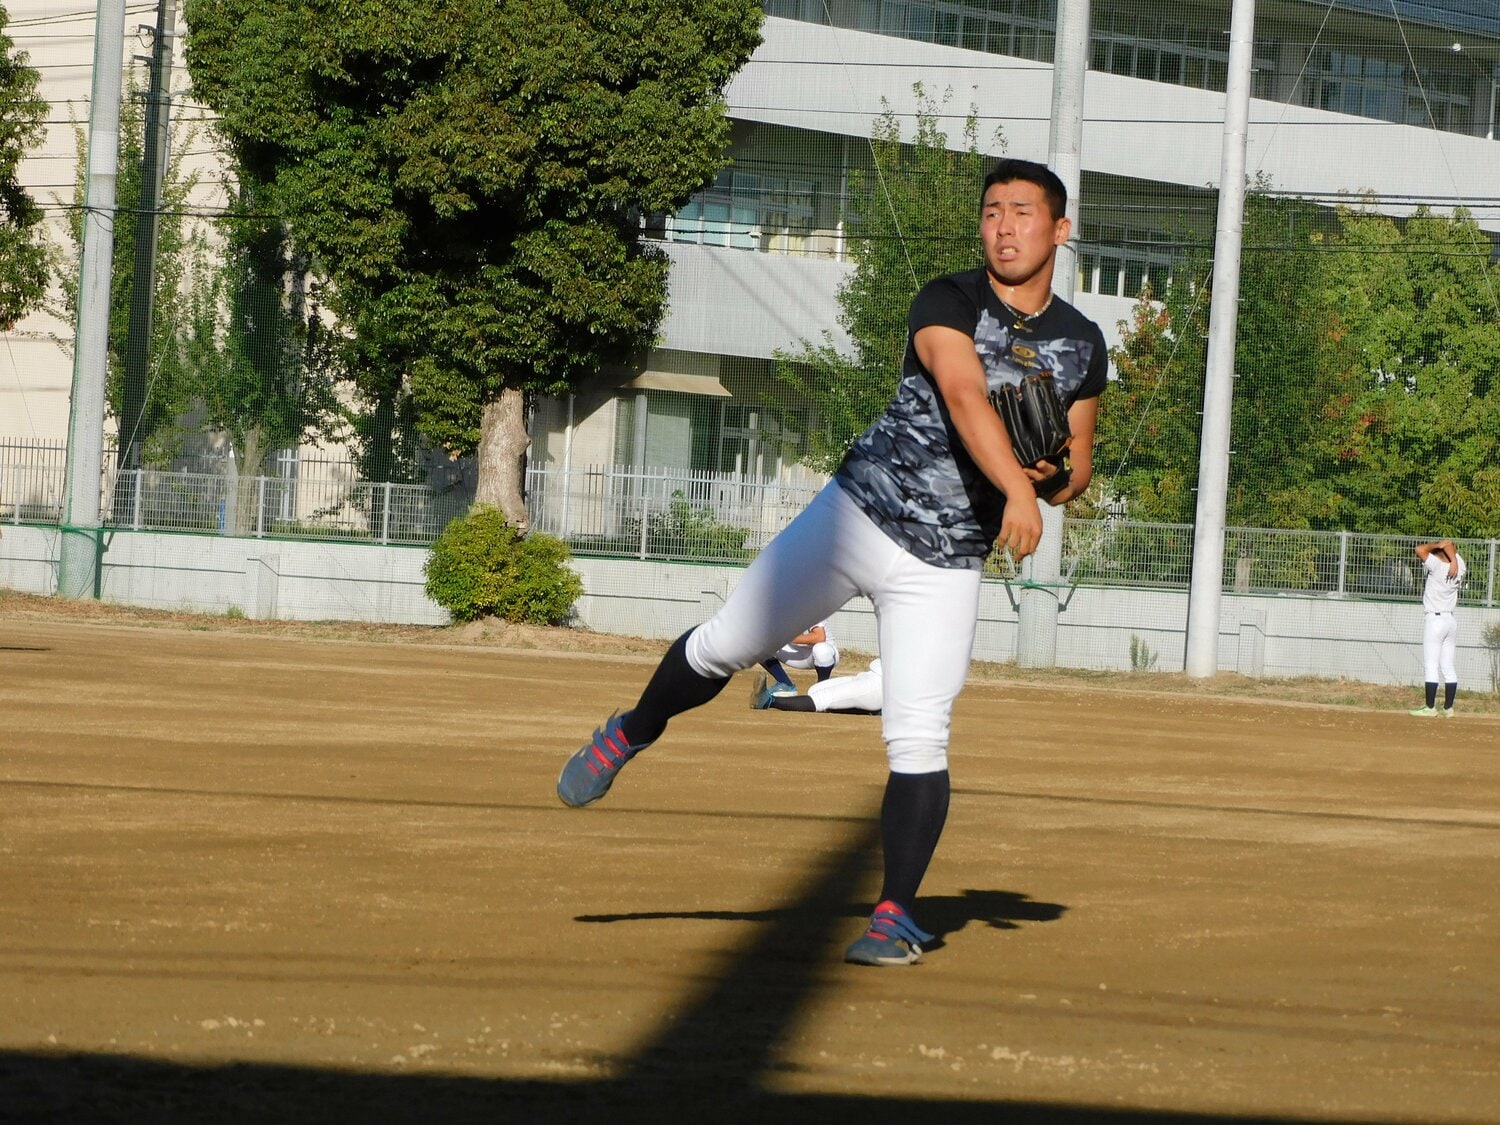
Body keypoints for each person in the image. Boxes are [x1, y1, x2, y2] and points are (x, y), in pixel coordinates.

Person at [555, 158, 1109, 967]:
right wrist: (1015, 495)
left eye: (1024, 212)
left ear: (1060, 230)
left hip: (948, 560)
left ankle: (895, 914)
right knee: (724, 645)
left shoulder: (1082, 344)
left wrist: (1050, 476)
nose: (1004, 225)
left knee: (920, 733)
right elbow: (960, 392)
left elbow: (1077, 466)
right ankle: (631, 730)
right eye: (992, 210)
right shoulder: (948, 298)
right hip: (857, 515)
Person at [1411, 538, 1466, 717]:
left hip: (1435, 620)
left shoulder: (1438, 567)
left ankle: (1430, 707)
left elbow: (1419, 549)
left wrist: (1436, 546)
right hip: (1450, 620)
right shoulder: (1460, 565)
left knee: (1431, 665)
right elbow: (1450, 545)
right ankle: (1448, 708)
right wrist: (1454, 559)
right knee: (1448, 666)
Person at [752, 658, 885, 715]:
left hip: (880, 684)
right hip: (872, 674)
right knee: (815, 690)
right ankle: (877, 709)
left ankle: (768, 701)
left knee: (821, 698)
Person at [757, 621, 839, 703]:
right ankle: (785, 685)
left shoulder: (809, 609)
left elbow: (819, 637)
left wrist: (788, 638)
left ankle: (822, 688)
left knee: (821, 650)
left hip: (827, 654)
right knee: (757, 645)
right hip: (798, 653)